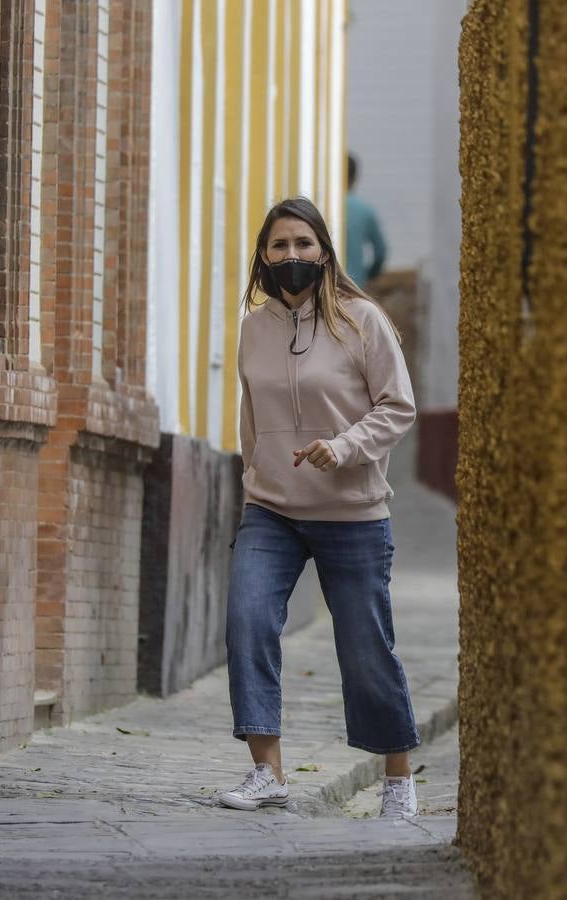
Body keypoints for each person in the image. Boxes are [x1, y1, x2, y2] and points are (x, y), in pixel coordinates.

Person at [217, 196, 420, 820]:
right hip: (271, 509)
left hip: (353, 513)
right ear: (263, 255)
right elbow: (252, 415)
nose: (291, 256)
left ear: (325, 253)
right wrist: (255, 474)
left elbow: (398, 406)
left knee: (365, 646)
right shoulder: (255, 327)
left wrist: (345, 447)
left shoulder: (363, 321)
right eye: (279, 246)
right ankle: (266, 771)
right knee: (247, 619)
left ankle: (397, 776)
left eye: (303, 244)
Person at [344, 154, 388, 287]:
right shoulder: (365, 210)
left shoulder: (318, 208)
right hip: (355, 285)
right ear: (355, 177)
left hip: (323, 287)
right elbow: (380, 252)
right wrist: (367, 274)